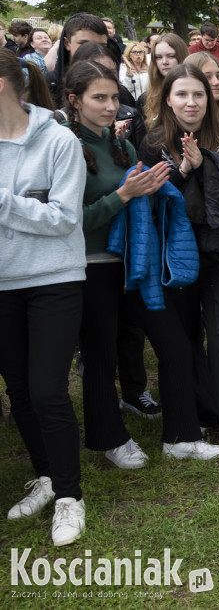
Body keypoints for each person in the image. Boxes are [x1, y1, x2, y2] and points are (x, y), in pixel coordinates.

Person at [62, 60, 219, 467]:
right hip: (91, 264)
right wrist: (122, 195)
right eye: (99, 98)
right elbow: (68, 220)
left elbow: (144, 195)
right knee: (101, 356)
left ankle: (181, 437)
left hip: (136, 261)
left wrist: (166, 180)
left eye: (114, 97)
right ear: (73, 100)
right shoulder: (64, 146)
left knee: (173, 344)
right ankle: (110, 440)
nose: (109, 106)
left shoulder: (123, 143)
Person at [138, 64, 219, 456]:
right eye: (182, 95)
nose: (191, 102)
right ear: (167, 99)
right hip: (176, 255)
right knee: (186, 339)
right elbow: (149, 199)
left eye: (198, 94)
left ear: (210, 97)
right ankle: (205, 411)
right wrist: (184, 169)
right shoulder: (152, 143)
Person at [1, 48, 88, 546]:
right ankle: (46, 476)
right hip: (2, 282)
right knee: (19, 390)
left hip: (54, 279)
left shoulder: (57, 140)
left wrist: (4, 203)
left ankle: (70, 498)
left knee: (48, 389)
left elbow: (63, 219)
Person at [142, 33, 189, 120]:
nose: (164, 62)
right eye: (158, 57)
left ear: (181, 56)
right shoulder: (146, 99)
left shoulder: (198, 92)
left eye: (171, 56)